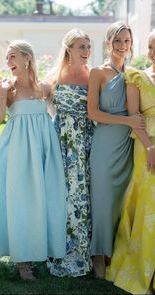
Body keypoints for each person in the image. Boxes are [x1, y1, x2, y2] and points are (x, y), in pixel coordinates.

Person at [0, 40, 67, 281]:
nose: (8, 62)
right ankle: (22, 263)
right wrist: (0, 94)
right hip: (18, 151)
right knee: (21, 202)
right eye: (8, 57)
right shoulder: (8, 90)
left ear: (26, 58)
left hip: (44, 149)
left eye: (12, 57)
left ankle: (43, 251)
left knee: (45, 200)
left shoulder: (44, 88)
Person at [87, 22, 145, 278]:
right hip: (105, 143)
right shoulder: (97, 73)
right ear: (108, 43)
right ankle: (98, 255)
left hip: (128, 145)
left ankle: (115, 253)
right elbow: (93, 113)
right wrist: (127, 121)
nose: (123, 46)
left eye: (127, 42)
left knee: (122, 201)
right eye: (118, 41)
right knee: (102, 200)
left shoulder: (135, 74)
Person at [106, 29, 155, 295]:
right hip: (145, 143)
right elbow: (134, 116)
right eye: (150, 46)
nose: (153, 52)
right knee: (148, 202)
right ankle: (142, 267)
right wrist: (150, 146)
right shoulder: (135, 77)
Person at [46, 28, 94, 277]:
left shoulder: (93, 75)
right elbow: (41, 103)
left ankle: (83, 252)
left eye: (88, 46)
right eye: (81, 47)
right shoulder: (54, 76)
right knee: (60, 194)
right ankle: (58, 249)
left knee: (82, 194)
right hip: (60, 141)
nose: (86, 52)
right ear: (68, 49)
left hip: (85, 141)